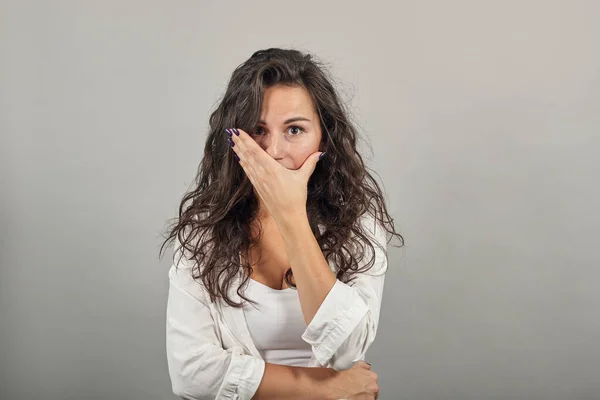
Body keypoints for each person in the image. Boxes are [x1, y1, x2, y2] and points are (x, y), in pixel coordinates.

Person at [160, 48, 403, 400]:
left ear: (324, 136)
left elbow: (346, 349)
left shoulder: (359, 223)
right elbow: (191, 374)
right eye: (258, 130)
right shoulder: (204, 231)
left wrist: (290, 216)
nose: (273, 151)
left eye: (294, 129)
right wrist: (324, 390)